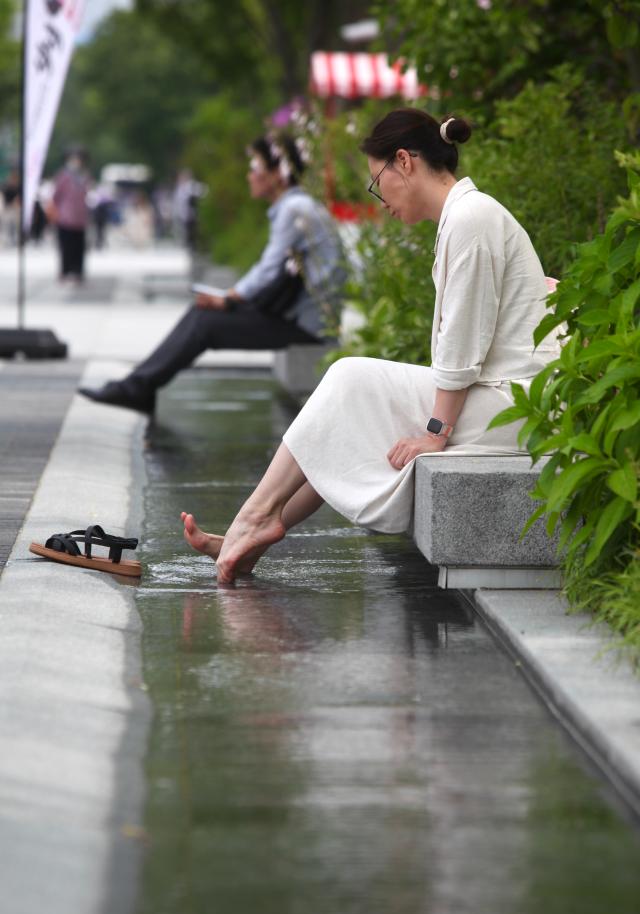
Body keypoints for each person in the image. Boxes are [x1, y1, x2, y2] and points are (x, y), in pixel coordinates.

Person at [179, 108, 562, 584]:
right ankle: (259, 521)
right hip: (504, 396)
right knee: (352, 390)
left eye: (376, 182)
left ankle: (255, 520)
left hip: (519, 407)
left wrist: (436, 432)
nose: (379, 200)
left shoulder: (472, 218)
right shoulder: (467, 217)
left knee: (350, 379)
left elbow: (462, 345)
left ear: (404, 161)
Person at [79, 135, 345, 415]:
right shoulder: (299, 206)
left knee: (204, 322)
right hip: (299, 317)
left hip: (307, 326)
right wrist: (230, 299)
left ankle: (137, 387)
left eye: (255, 168)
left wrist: (229, 298)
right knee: (201, 315)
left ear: (278, 174)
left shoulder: (294, 209)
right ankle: (139, 386)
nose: (249, 175)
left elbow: (267, 272)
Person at [49, 148, 90, 283]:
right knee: (66, 246)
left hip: (80, 218)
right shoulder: (63, 176)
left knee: (79, 247)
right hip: (65, 217)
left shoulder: (85, 176)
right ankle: (65, 270)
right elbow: (56, 195)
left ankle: (78, 271)